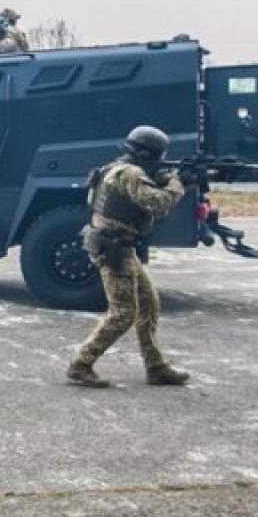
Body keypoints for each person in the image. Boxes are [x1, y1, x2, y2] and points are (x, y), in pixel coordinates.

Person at [66, 126, 193, 388]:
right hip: (113, 248)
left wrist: (169, 178)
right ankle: (81, 364)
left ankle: (155, 367)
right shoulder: (130, 174)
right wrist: (179, 183)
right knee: (123, 313)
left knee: (149, 304)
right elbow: (158, 204)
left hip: (120, 246)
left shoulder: (116, 168)